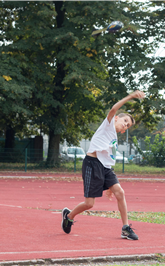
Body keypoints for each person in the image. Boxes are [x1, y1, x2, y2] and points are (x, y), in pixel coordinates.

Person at [61, 90, 145, 240]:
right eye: (125, 122)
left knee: (120, 192)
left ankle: (125, 228)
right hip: (91, 165)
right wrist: (131, 97)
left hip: (105, 168)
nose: (125, 126)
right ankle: (69, 216)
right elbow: (113, 109)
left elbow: (108, 159)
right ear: (117, 118)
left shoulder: (113, 139)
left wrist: (110, 186)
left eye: (128, 126)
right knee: (89, 204)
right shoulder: (108, 124)